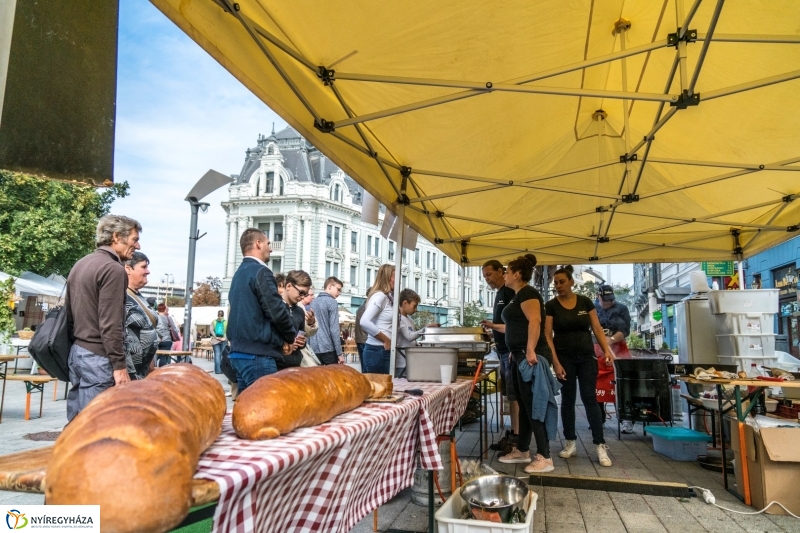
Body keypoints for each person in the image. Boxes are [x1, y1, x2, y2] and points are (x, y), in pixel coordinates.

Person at [65, 214, 141, 421]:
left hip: (79, 352)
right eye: (134, 239)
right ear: (117, 237)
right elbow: (111, 324)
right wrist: (119, 366)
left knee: (77, 423)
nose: (138, 245)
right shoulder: (113, 269)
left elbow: (69, 315)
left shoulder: (81, 264)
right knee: (97, 426)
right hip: (99, 357)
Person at [544, 266, 615, 467]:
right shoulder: (551, 306)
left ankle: (600, 444)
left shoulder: (584, 302)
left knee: (590, 398)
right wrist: (555, 362)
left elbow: (597, 328)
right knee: (567, 400)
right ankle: (570, 442)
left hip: (586, 357)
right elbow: (548, 336)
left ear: (571, 282)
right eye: (555, 283)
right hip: (564, 358)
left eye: (561, 282)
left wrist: (606, 351)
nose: (558, 286)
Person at [497, 254, 556, 473]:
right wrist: (514, 350)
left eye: (507, 271)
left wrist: (530, 349)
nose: (505, 275)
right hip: (519, 355)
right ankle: (523, 449)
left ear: (517, 274)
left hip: (531, 356)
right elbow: (515, 325)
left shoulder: (529, 293)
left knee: (534, 405)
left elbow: (535, 321)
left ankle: (545, 457)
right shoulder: (516, 296)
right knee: (523, 404)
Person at [227, 228, 298, 392]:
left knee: (247, 410)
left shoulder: (238, 274)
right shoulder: (261, 272)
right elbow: (276, 311)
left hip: (238, 352)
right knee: (266, 410)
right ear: (258, 244)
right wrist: (290, 337)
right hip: (258, 355)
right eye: (268, 243)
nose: (271, 248)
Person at [480, 259, 519, 456]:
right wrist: (491, 333)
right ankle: (513, 434)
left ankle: (517, 438)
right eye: (484, 276)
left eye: (489, 275)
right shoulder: (499, 294)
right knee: (509, 396)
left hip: (510, 351)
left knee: (514, 396)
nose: (487, 279)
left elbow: (515, 325)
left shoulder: (511, 292)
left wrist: (493, 326)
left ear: (502, 272)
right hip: (502, 349)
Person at [594, 284, 633, 433]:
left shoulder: (622, 309)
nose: (608, 303)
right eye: (605, 300)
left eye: (610, 300)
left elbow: (625, 330)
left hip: (618, 350)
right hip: (597, 353)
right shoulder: (592, 308)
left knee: (622, 386)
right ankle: (599, 419)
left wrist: (610, 340)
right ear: (598, 296)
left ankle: (626, 419)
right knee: (596, 387)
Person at [123, 252, 159, 380]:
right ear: (128, 268)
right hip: (129, 373)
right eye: (143, 267)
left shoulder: (137, 295)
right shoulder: (120, 295)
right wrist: (124, 371)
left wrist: (150, 359)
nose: (148, 271)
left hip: (141, 371)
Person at [359, 265, 396, 374]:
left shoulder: (388, 297)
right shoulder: (380, 296)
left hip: (381, 350)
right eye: (395, 276)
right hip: (377, 351)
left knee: (384, 388)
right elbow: (364, 322)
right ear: (388, 277)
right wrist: (386, 339)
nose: (399, 281)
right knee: (380, 388)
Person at [396, 288, 439, 378]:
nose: (416, 309)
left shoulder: (411, 321)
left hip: (411, 362)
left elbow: (413, 340)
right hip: (401, 363)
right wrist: (425, 329)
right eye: (414, 306)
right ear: (405, 303)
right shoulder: (398, 318)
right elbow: (409, 336)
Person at [276, 270, 314, 369]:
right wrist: (285, 343)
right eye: (301, 292)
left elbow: (301, 336)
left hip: (296, 365)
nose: (302, 297)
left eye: (305, 294)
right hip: (276, 365)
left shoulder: (300, 311)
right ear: (288, 286)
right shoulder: (274, 307)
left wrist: (302, 342)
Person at [309, 276, 344, 365]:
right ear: (330, 286)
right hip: (328, 348)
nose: (339, 293)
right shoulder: (332, 302)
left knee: (316, 378)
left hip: (313, 348)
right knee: (332, 377)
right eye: (338, 289)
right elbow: (334, 329)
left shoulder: (313, 302)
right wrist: (339, 353)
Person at [211, 310, 228, 375]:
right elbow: (228, 331)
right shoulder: (226, 322)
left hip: (215, 341)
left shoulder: (214, 322)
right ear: (223, 315)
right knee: (222, 355)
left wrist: (216, 337)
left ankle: (217, 370)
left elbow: (211, 330)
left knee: (217, 356)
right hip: (223, 340)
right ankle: (222, 370)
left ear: (217, 315)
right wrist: (225, 338)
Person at [354, 301, 368, 371]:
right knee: (367, 366)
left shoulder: (360, 308)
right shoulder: (368, 307)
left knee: (363, 364)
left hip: (359, 338)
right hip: (365, 339)